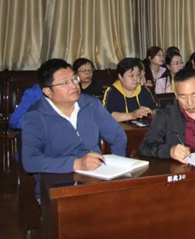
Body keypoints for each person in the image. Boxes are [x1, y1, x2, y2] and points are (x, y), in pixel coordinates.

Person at [22, 59, 126, 198]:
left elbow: (118, 137)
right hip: (57, 188)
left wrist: (117, 169)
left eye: (74, 79)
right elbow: (30, 161)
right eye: (65, 83)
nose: (74, 85)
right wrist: (76, 164)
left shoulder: (91, 104)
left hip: (96, 179)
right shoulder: (35, 117)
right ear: (47, 91)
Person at [103, 58, 156, 122]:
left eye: (138, 75)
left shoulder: (144, 91)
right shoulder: (112, 91)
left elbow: (155, 110)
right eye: (131, 76)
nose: (135, 79)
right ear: (120, 76)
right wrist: (132, 115)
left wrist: (150, 112)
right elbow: (107, 116)